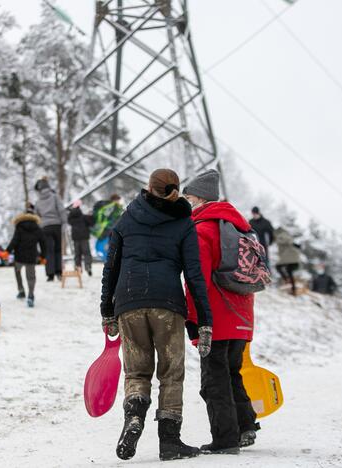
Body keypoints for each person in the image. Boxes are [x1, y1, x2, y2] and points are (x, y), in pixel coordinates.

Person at [100, 168, 213, 462]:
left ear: (149, 188)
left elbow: (110, 267)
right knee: (170, 373)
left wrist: (106, 310)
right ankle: (170, 441)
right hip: (167, 304)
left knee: (137, 371)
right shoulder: (184, 222)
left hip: (128, 302)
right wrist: (205, 321)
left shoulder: (127, 218)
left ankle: (134, 416)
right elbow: (194, 275)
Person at [182, 169, 259, 455]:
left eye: (189, 199)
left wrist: (195, 319)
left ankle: (225, 439)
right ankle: (245, 426)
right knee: (232, 373)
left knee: (213, 380)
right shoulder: (241, 229)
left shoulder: (202, 230)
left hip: (214, 316)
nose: (187, 205)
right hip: (242, 316)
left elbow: (196, 279)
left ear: (201, 198)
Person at [7, 207, 46, 308]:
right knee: (31, 277)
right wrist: (43, 256)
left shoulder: (19, 226)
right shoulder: (37, 228)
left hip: (19, 256)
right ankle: (31, 295)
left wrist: (7, 251)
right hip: (31, 256)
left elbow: (14, 241)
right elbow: (43, 243)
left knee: (17, 272)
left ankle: (21, 290)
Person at [33, 178, 66, 281]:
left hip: (45, 227)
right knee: (57, 249)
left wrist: (40, 225)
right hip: (56, 225)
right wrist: (64, 222)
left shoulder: (38, 201)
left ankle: (50, 274)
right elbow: (61, 209)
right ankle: (59, 272)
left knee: (48, 250)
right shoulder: (55, 197)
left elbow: (36, 215)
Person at [92, 194, 124, 260]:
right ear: (115, 200)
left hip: (105, 228)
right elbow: (113, 218)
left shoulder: (107, 206)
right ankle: (108, 259)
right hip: (110, 228)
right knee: (108, 244)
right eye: (118, 200)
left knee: (102, 243)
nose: (119, 202)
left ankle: (106, 258)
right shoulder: (114, 206)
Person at [67, 200, 94, 276]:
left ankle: (78, 268)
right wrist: (91, 215)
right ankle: (88, 266)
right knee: (87, 253)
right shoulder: (84, 216)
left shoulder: (71, 217)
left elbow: (68, 220)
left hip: (75, 238)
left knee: (77, 254)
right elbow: (92, 223)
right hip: (84, 237)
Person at [275, 226, 303, 295]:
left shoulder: (281, 235)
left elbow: (287, 240)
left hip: (289, 256)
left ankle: (286, 280)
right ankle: (293, 289)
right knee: (289, 271)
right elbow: (291, 242)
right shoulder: (285, 234)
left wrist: (279, 240)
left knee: (278, 266)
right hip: (292, 256)